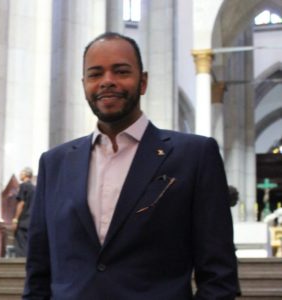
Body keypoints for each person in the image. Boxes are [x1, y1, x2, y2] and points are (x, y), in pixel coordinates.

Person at [24, 32, 239, 299]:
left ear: (143, 82)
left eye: (121, 71)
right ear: (84, 85)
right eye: (95, 74)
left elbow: (219, 275)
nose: (107, 82)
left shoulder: (194, 156)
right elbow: (38, 272)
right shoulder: (54, 163)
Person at [12, 167, 36, 257]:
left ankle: (20, 267)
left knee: (20, 246)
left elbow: (21, 203)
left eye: (21, 172)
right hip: (32, 220)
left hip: (23, 220)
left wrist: (15, 220)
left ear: (26, 174)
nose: (20, 174)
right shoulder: (34, 188)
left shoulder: (23, 186)